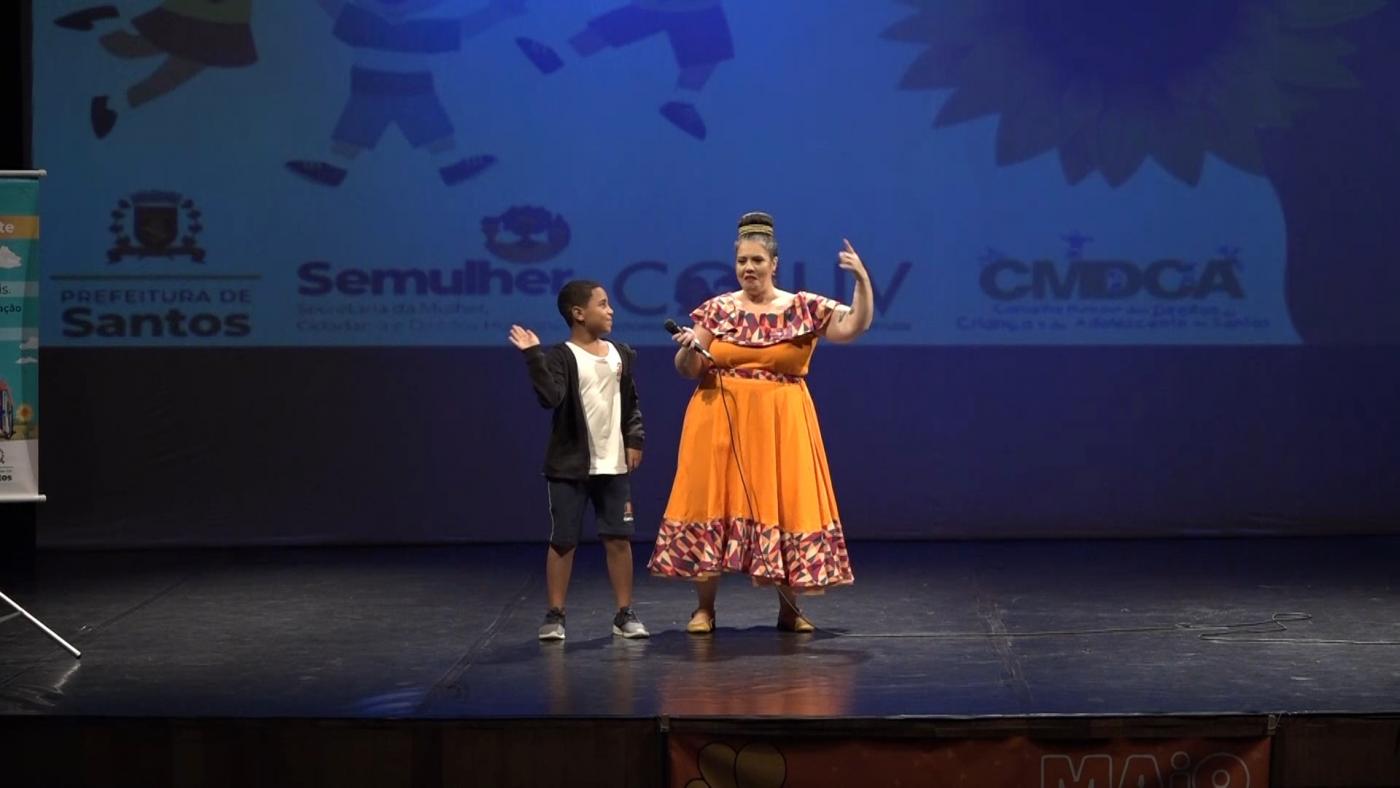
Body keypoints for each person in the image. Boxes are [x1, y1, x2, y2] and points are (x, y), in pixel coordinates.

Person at [648, 211, 873, 633]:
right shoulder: (717, 310)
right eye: (741, 262)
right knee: (711, 502)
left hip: (781, 422)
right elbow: (688, 368)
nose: (748, 269)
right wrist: (688, 349)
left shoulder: (802, 307)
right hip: (718, 418)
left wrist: (861, 282)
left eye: (756, 261)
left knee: (783, 503)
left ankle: (789, 608)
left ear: (774, 263)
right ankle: (704, 608)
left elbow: (853, 327)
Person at [510, 280, 649, 641]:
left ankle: (624, 613)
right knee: (564, 541)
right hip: (570, 467)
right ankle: (555, 614)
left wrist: (634, 439)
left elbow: (631, 403)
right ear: (578, 313)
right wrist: (533, 356)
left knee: (619, 539)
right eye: (602, 304)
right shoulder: (560, 356)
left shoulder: (621, 354)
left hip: (613, 465)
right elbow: (551, 398)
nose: (610, 310)